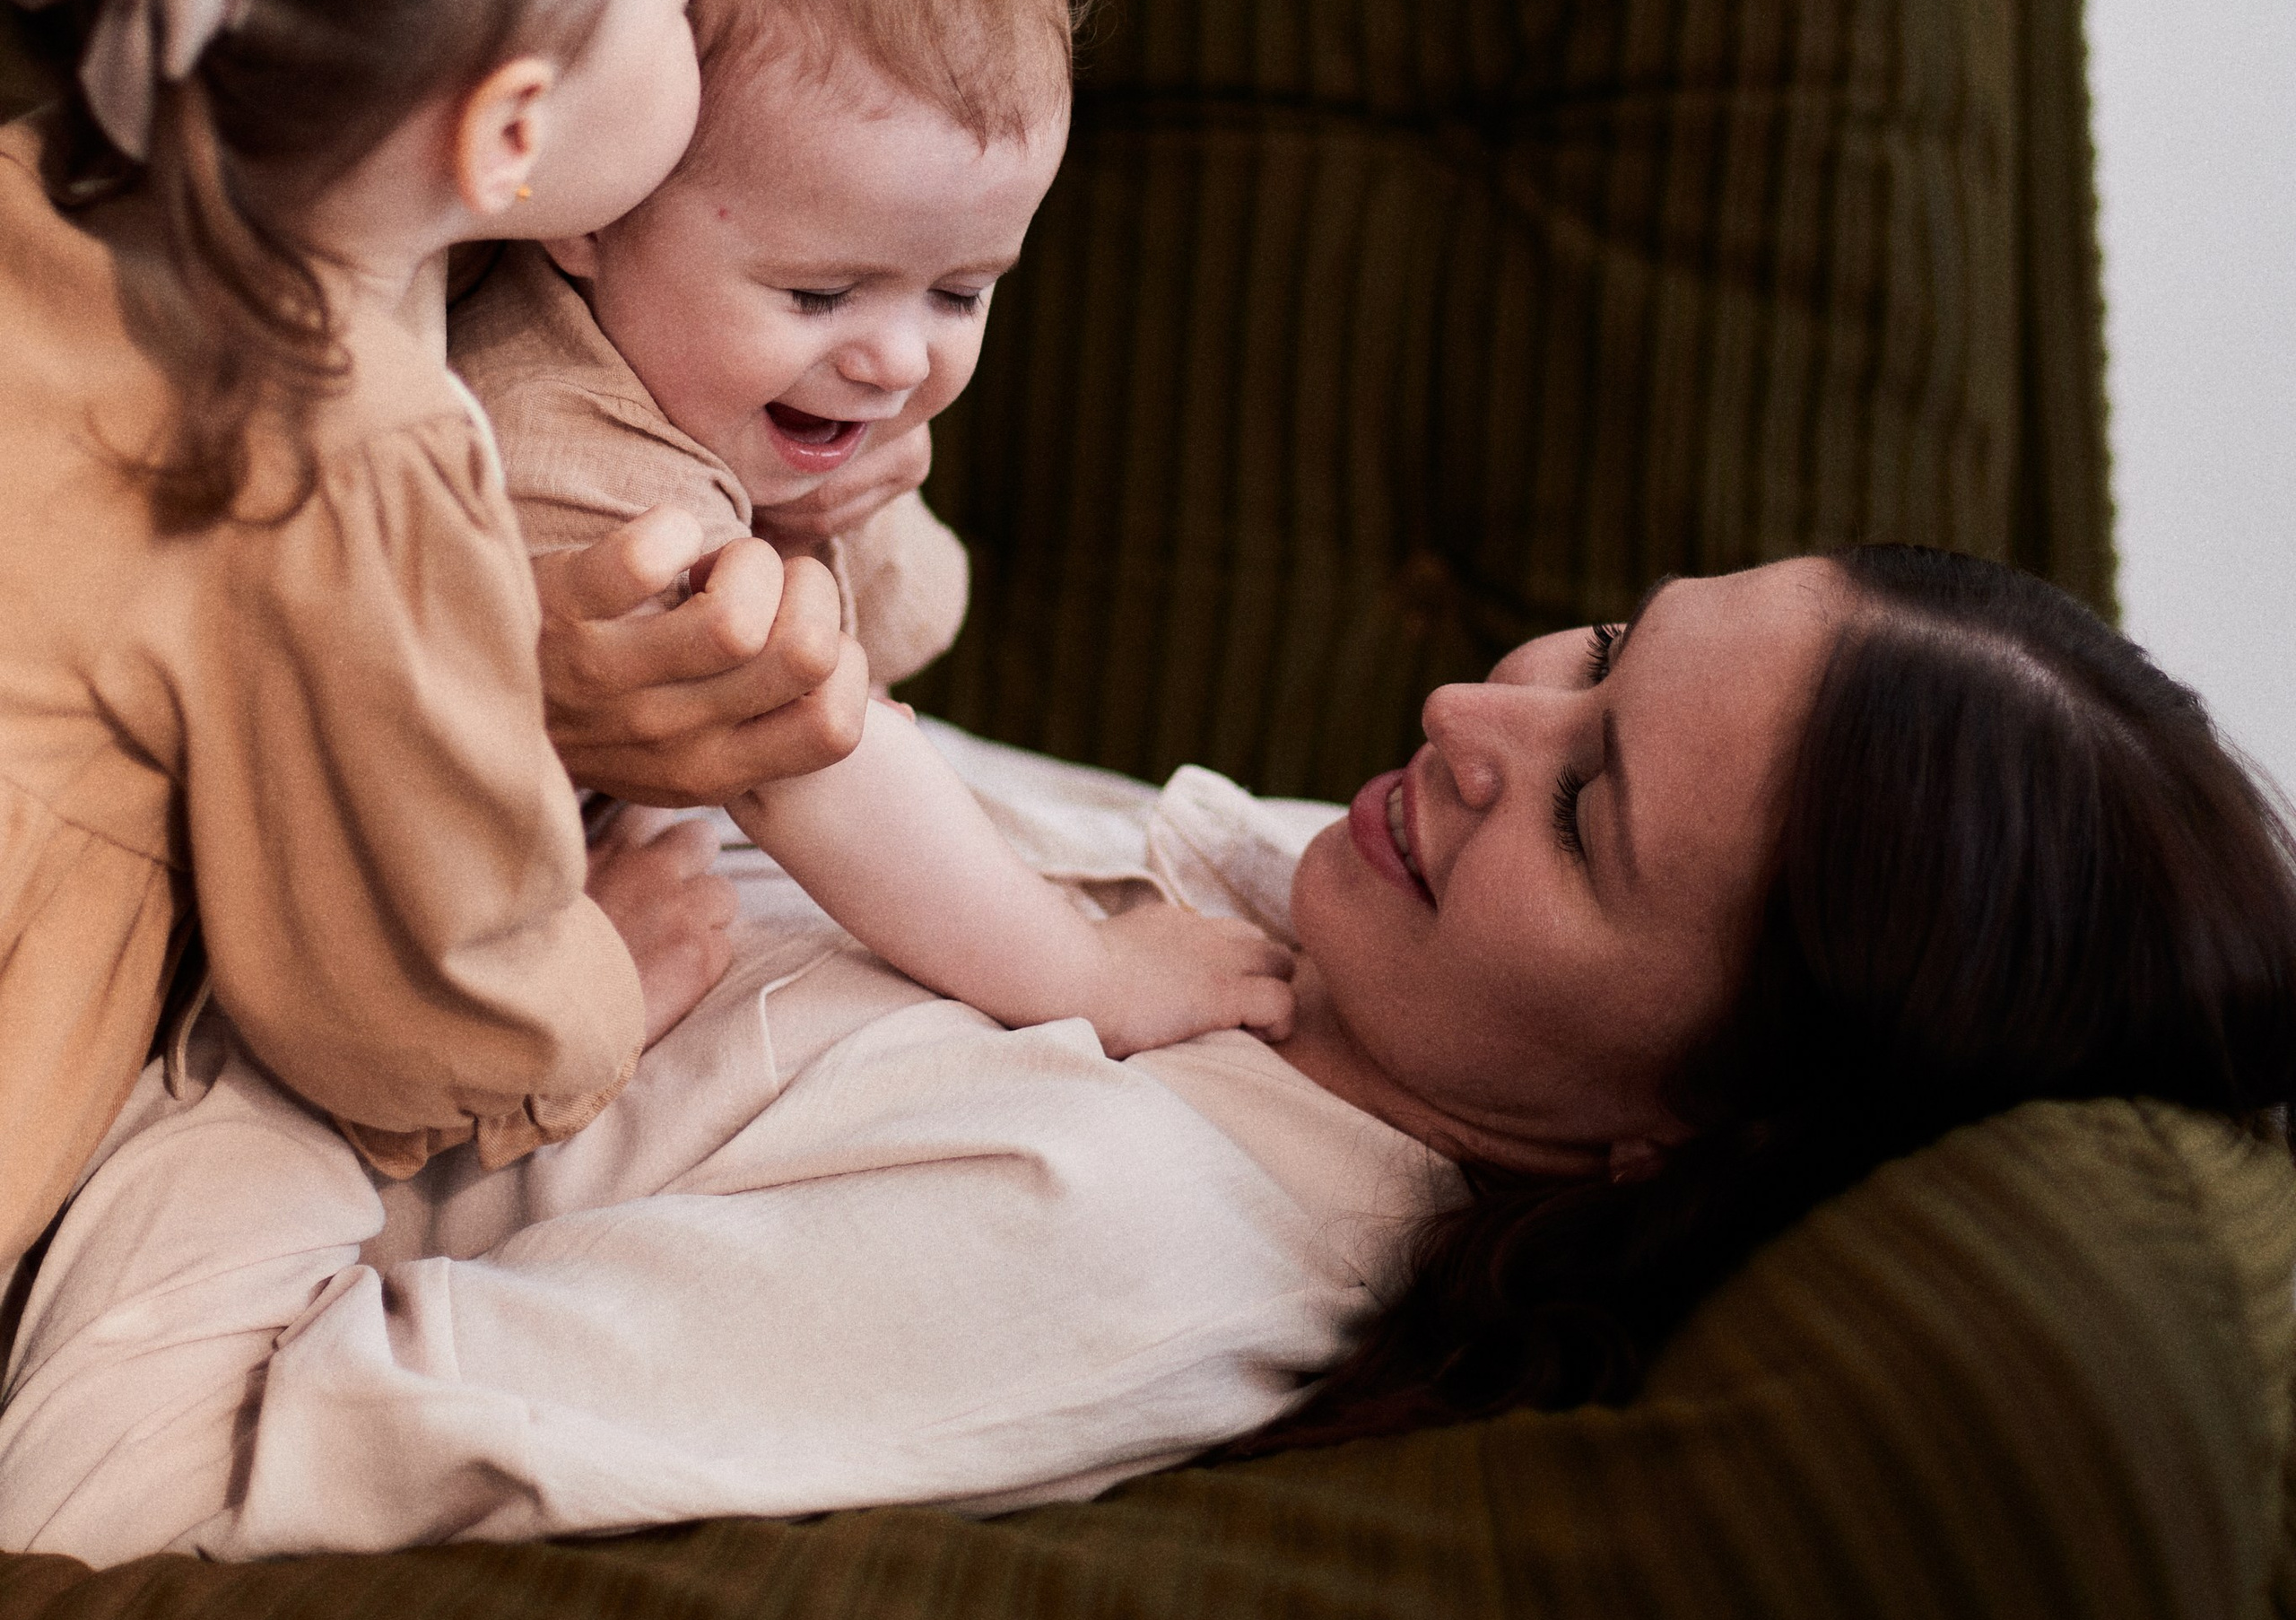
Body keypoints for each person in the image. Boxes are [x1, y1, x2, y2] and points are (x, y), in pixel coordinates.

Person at [3, 544, 2291, 1563]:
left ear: (1688, 1128)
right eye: (1603, 640)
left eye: (1585, 808)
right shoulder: (1318, 931)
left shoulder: (1113, 1244)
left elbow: (112, 1488)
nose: (1468, 718)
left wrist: (421, 1027)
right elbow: (799, 753)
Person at [0, 0, 752, 1302]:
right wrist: (590, 993)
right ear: (507, 137)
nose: (698, 35)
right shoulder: (346, 452)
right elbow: (401, 980)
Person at [453, 0, 1065, 694]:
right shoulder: (556, 442)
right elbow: (802, 745)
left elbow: (907, 632)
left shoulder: (731, 389)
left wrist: (812, 519)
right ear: (594, 209)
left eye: (960, 293)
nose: (900, 363)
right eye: (819, 295)